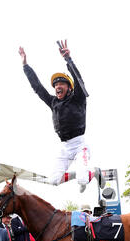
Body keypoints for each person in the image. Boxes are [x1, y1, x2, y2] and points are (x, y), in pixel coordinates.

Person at [18, 41, 105, 193]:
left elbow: (79, 80)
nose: (58, 86)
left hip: (79, 146)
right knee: (53, 181)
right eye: (56, 84)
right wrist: (26, 65)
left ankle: (95, 172)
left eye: (62, 84)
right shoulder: (53, 102)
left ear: (69, 88)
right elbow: (38, 88)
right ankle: (79, 174)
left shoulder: (78, 98)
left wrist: (68, 59)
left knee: (83, 179)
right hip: (64, 147)